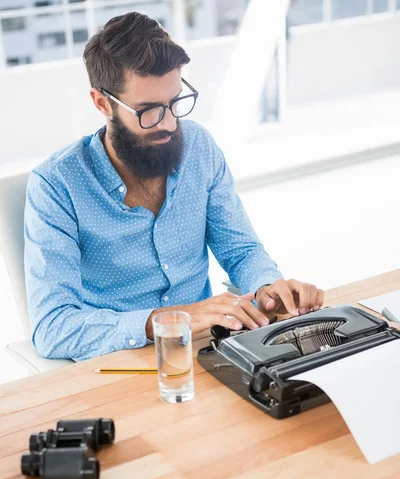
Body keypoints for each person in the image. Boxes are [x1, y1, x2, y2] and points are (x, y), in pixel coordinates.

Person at [24, 12, 323, 362]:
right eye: (148, 111)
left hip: (204, 350)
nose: (168, 123)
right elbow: (52, 327)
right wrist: (166, 322)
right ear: (102, 103)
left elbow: (241, 251)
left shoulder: (198, 146)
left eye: (175, 102)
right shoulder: (57, 185)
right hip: (116, 364)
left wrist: (268, 288)